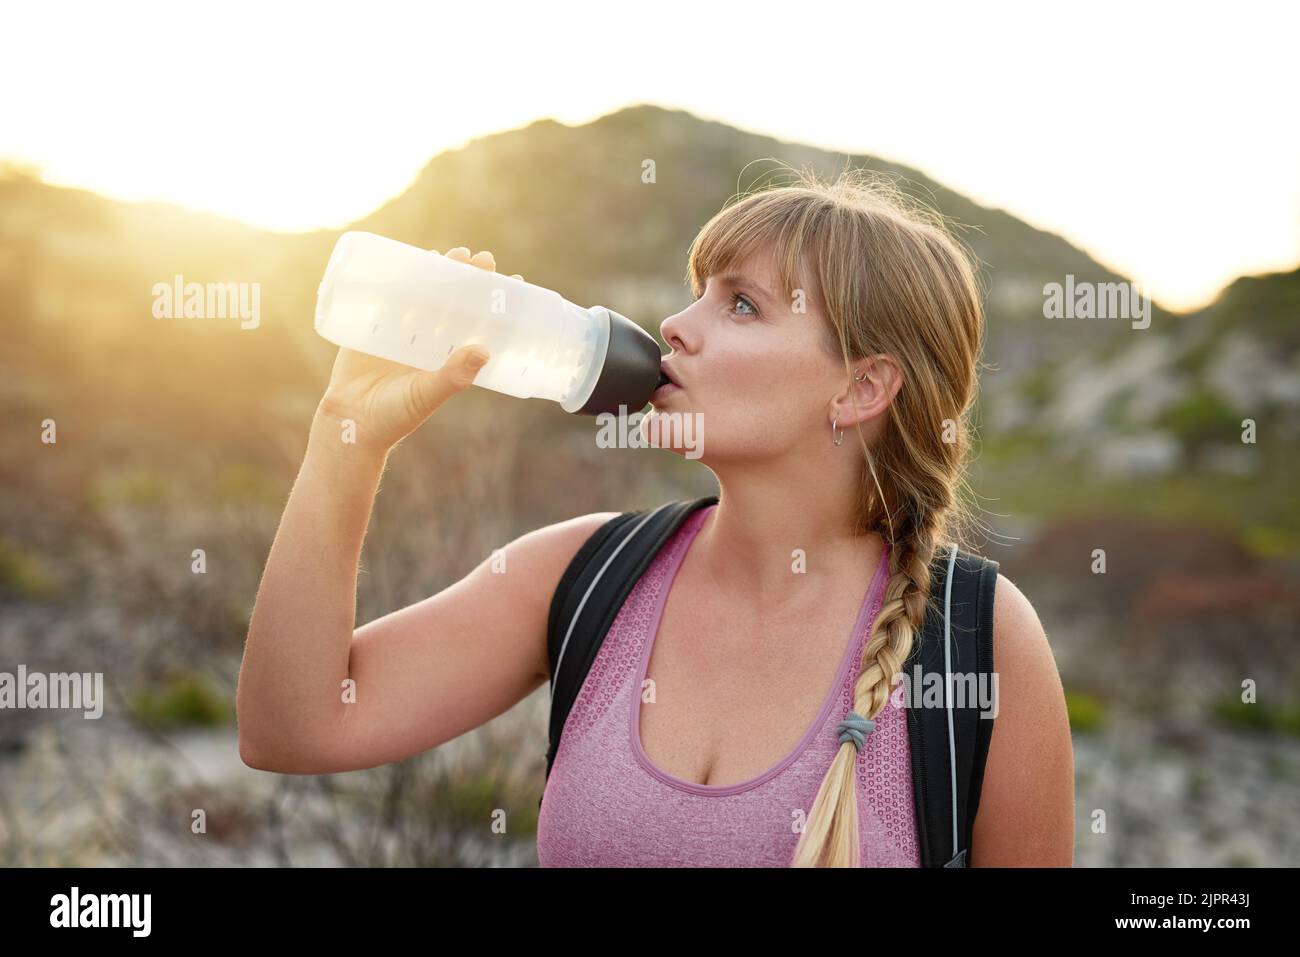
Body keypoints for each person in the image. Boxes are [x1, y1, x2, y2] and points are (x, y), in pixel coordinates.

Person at [236, 166, 1074, 867]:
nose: (677, 326)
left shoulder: (980, 641)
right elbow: (294, 724)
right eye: (698, 292)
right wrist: (346, 437)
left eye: (741, 304)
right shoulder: (585, 574)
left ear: (860, 387)